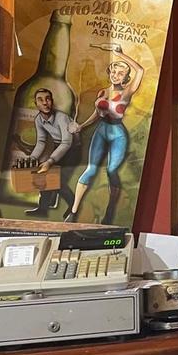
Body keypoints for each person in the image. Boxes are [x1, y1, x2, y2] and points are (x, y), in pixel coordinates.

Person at [64, 43, 145, 224]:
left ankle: (109, 211)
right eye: (114, 72)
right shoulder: (103, 91)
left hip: (118, 133)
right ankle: (74, 211)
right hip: (101, 130)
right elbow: (96, 115)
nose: (116, 76)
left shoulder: (126, 92)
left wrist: (121, 55)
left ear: (125, 77)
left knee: (111, 170)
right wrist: (82, 126)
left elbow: (140, 71)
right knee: (91, 169)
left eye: (121, 73)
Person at [19, 88, 79, 216]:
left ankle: (74, 205)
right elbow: (41, 141)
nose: (45, 103)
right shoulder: (39, 120)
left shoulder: (61, 118)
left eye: (48, 99)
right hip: (59, 147)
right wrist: (32, 158)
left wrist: (50, 161)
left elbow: (67, 143)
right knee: (44, 178)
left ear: (52, 101)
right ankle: (42, 210)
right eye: (40, 100)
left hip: (73, 149)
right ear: (36, 104)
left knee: (57, 181)